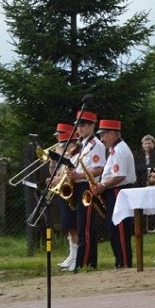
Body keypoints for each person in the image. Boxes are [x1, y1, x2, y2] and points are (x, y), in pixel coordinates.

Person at [93, 119, 136, 268]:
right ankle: (120, 261)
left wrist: (103, 185)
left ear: (112, 133)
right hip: (115, 191)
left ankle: (124, 263)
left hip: (119, 191)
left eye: (103, 135)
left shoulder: (119, 150)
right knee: (114, 229)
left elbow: (120, 176)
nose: (101, 139)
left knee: (119, 229)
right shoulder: (115, 149)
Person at [69, 110, 106, 272]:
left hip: (88, 187)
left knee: (86, 227)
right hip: (78, 186)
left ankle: (84, 263)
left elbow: (99, 169)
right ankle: (87, 262)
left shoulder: (96, 145)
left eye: (83, 125)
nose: (79, 128)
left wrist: (79, 174)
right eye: (78, 125)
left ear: (92, 126)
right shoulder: (81, 144)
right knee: (82, 225)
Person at [50, 122, 78, 270]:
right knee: (68, 226)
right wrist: (53, 162)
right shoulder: (63, 155)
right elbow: (56, 172)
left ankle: (76, 256)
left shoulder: (73, 155)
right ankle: (71, 254)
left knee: (73, 225)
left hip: (71, 192)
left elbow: (71, 174)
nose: (57, 142)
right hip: (63, 191)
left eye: (60, 139)